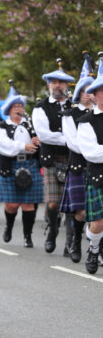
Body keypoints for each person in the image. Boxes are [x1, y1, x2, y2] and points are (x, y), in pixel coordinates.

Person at [32, 65, 74, 253]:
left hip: (73, 159)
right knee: (53, 202)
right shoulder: (41, 107)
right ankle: (53, 229)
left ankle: (71, 242)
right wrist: (70, 139)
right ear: (49, 84)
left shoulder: (75, 106)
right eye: (54, 82)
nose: (58, 86)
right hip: (51, 159)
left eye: (61, 82)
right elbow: (44, 135)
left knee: (74, 204)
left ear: (67, 85)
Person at [0, 95, 42, 247]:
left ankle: (28, 236)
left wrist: (37, 140)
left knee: (28, 205)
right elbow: (3, 145)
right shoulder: (1, 126)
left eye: (20, 107)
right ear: (8, 110)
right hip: (10, 166)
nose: (18, 110)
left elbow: (40, 142)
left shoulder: (31, 125)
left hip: (30, 164)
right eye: (15, 107)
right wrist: (24, 146)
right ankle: (9, 226)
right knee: (12, 205)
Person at [59, 67, 94, 263]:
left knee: (99, 214)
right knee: (81, 211)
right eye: (86, 90)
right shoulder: (69, 115)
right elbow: (73, 143)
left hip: (98, 167)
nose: (89, 95)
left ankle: (95, 248)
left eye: (93, 91)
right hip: (79, 166)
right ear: (79, 93)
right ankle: (75, 242)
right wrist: (95, 149)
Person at [77, 75, 103, 274]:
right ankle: (94, 248)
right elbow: (91, 153)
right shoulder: (86, 122)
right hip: (99, 176)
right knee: (98, 223)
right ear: (95, 95)